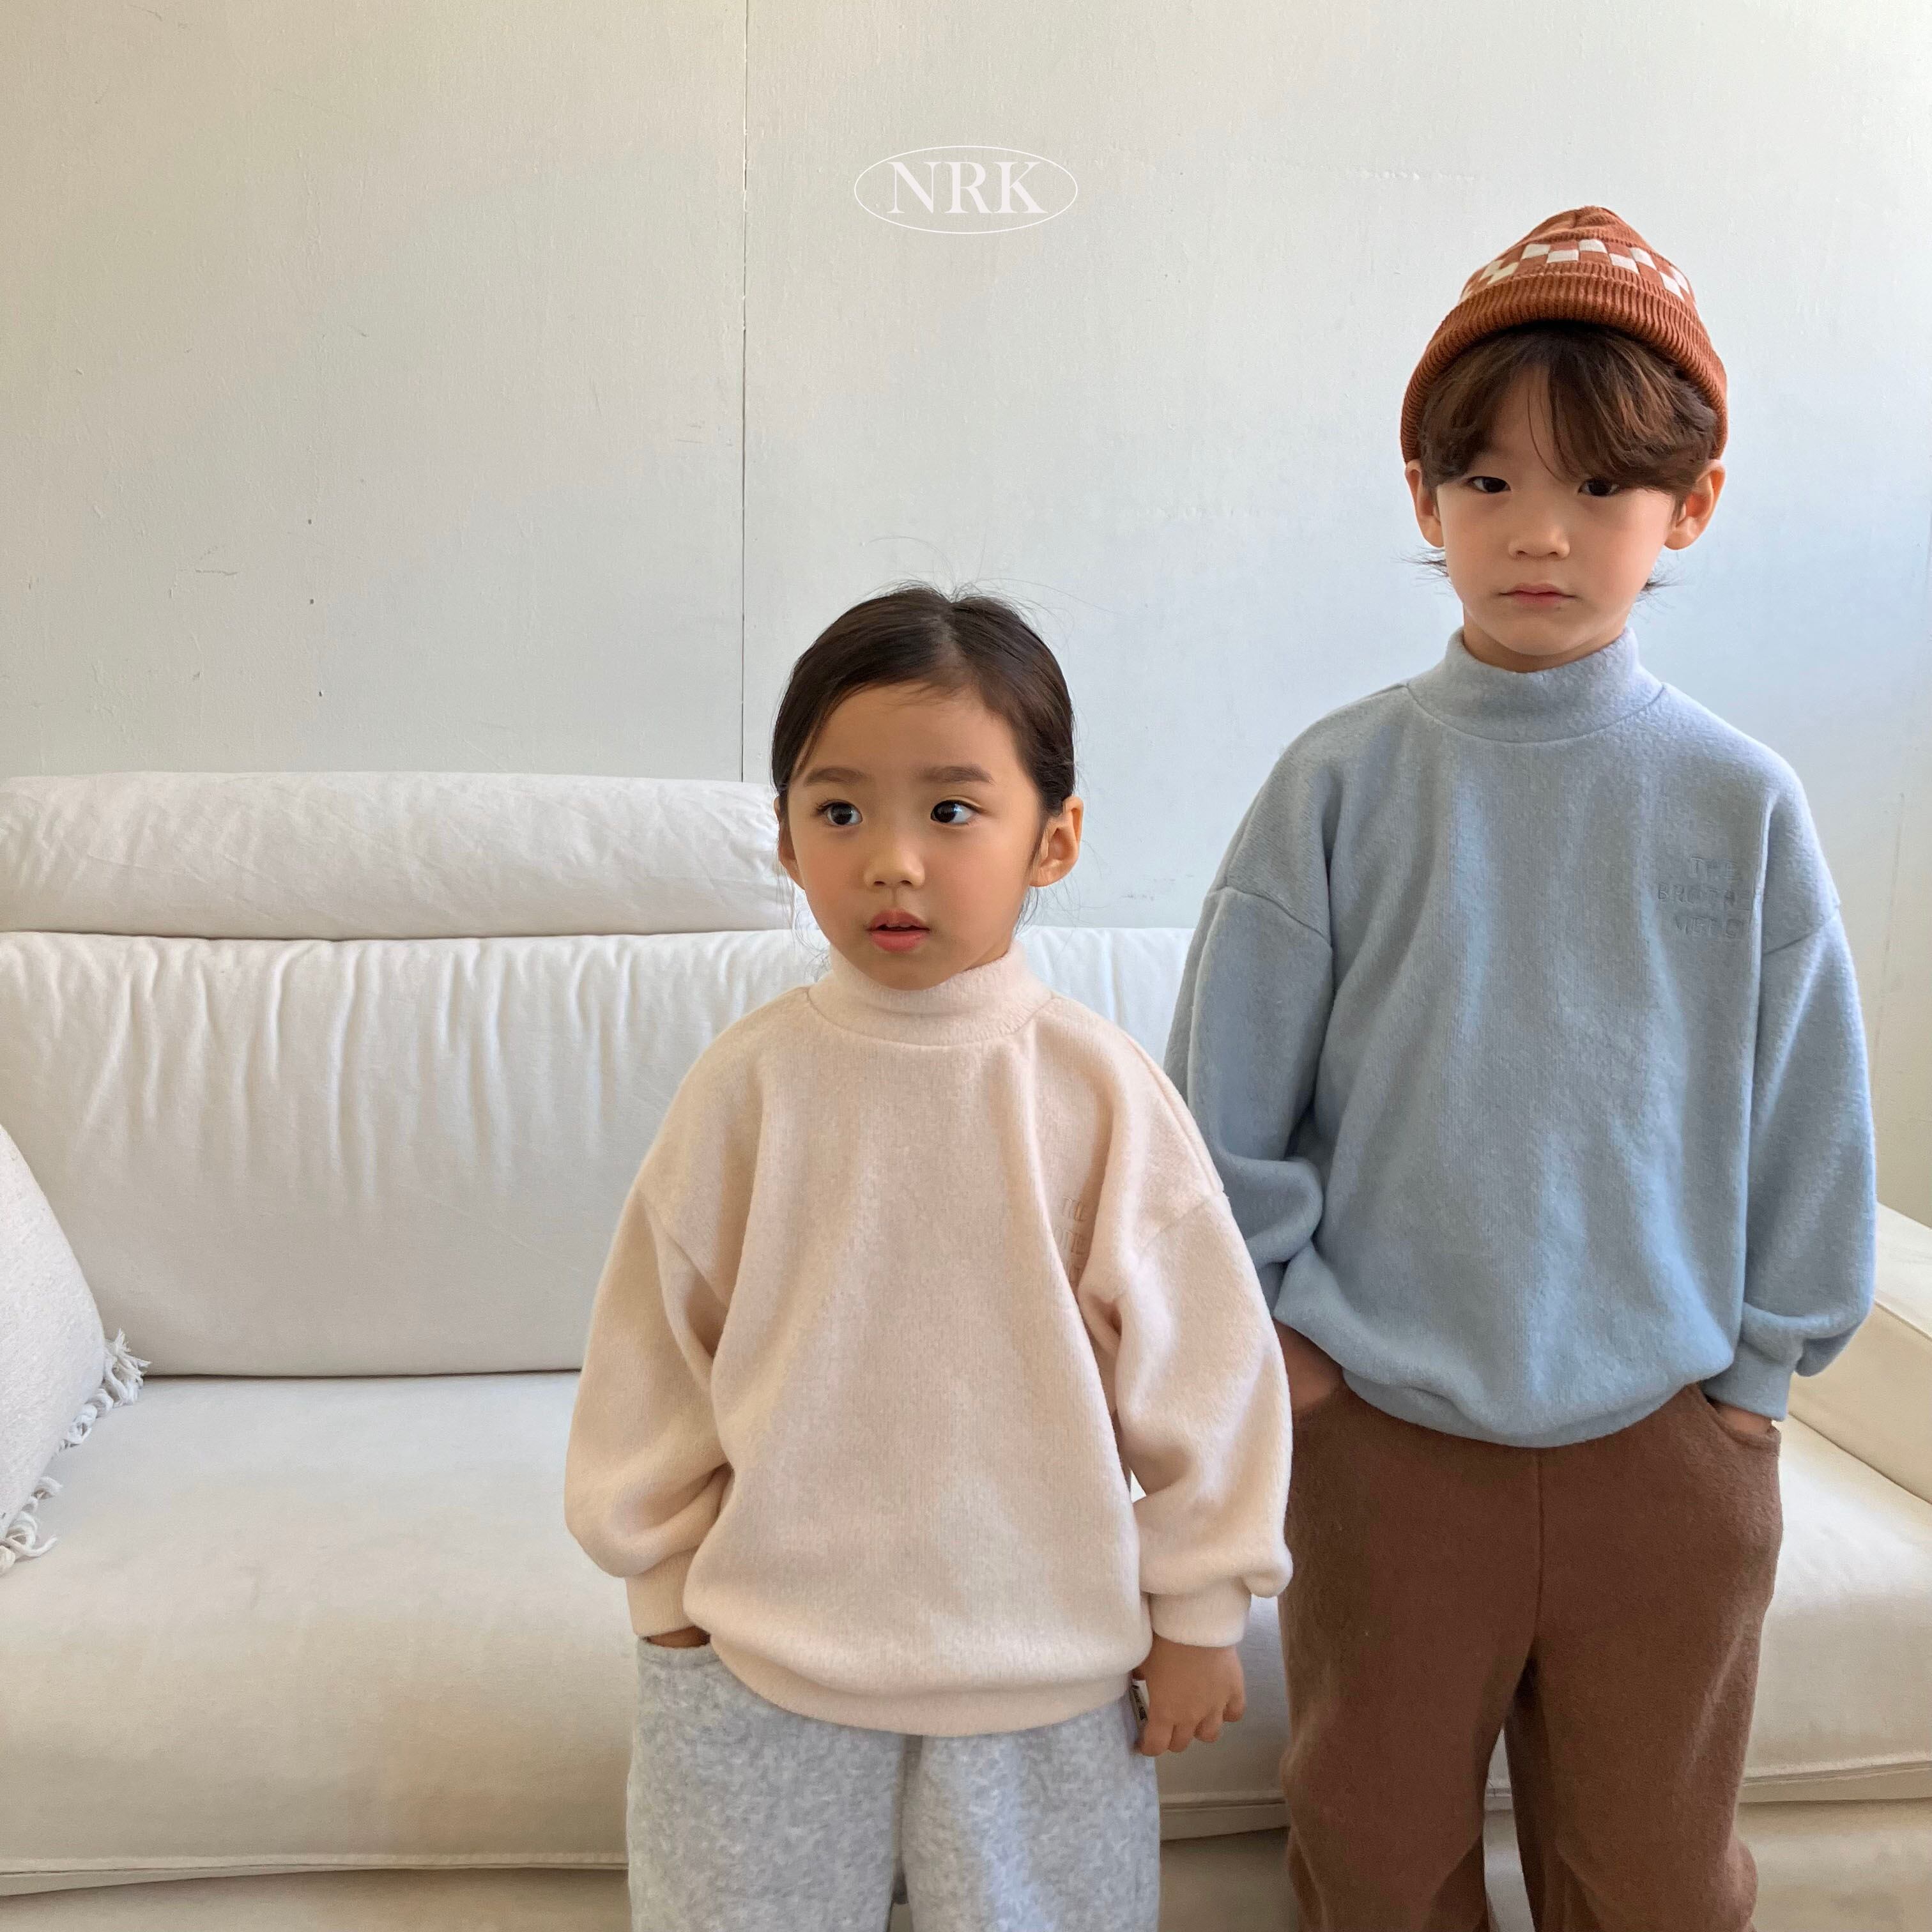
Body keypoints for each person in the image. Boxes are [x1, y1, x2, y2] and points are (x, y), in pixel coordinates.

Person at [1165, 206, 1877, 1931]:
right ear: (1426, 500)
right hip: (1387, 1443)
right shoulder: (1338, 786)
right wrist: (1288, 1341)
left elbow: (1809, 1122)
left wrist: (1757, 1383)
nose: (1539, 531)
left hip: (1671, 1451)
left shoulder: (1741, 803)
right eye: (1487, 481)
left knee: (1656, 1883)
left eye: (1601, 486)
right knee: (1375, 1858)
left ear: (1689, 506)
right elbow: (1217, 1110)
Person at [566, 583, 1292, 1932]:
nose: (892, 861)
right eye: (840, 811)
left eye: (952, 810)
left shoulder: (1096, 1090)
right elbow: (656, 1346)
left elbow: (1208, 1367)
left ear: (1054, 839)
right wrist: (660, 1582)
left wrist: (1200, 1610)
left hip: (1045, 1680)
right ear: (786, 839)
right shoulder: (747, 1087)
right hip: (761, 1667)